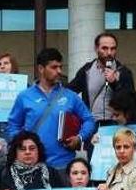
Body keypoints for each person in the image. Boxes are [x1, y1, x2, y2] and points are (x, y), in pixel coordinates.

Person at [6, 48, 95, 176]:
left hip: (64, 165)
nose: (59, 71)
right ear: (41, 69)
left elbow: (89, 120)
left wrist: (80, 138)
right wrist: (22, 145)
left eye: (60, 67)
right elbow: (13, 126)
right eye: (54, 67)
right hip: (32, 167)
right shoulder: (24, 96)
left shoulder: (70, 96)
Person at [68, 33, 135, 123]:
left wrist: (114, 83)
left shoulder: (124, 72)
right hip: (92, 124)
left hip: (115, 124)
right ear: (96, 49)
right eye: (105, 48)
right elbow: (70, 90)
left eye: (113, 49)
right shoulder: (87, 70)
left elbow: (130, 101)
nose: (109, 53)